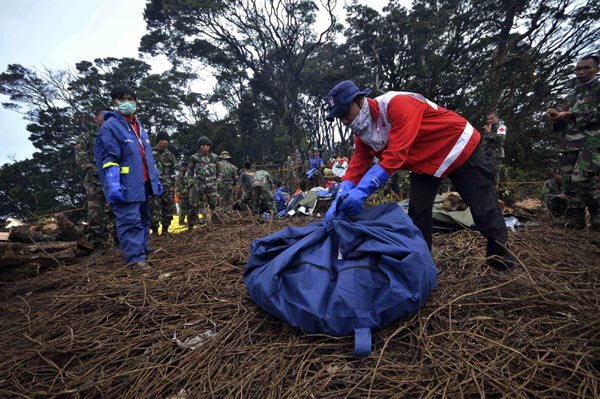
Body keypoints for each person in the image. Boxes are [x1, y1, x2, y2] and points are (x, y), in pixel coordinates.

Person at [323, 80, 515, 269]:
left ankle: (500, 258)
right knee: (418, 211)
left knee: (482, 205)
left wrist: (362, 191)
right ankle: (422, 264)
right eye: (339, 116)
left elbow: (394, 156)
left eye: (344, 113)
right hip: (425, 162)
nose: (344, 120)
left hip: (457, 146)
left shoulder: (396, 104)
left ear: (359, 100)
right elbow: (357, 164)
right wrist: (343, 191)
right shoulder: (364, 133)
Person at [94, 84, 163, 270]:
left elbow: (145, 156)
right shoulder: (111, 127)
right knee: (129, 219)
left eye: (130, 99)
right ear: (114, 103)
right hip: (125, 184)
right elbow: (109, 158)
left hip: (143, 182)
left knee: (143, 218)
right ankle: (135, 259)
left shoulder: (138, 126)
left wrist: (155, 178)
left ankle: (143, 249)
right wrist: (114, 183)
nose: (127, 103)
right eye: (122, 99)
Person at [546, 55, 600, 230]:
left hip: (592, 142)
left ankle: (596, 215)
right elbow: (564, 121)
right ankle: (576, 221)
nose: (582, 72)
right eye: (578, 69)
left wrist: (572, 115)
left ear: (597, 69)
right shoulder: (571, 95)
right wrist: (556, 118)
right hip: (569, 144)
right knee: (568, 183)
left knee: (582, 178)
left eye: (587, 68)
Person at [75, 108, 115, 255]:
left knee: (115, 211)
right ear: (95, 119)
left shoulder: (113, 137)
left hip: (113, 181)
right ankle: (97, 246)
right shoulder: (86, 138)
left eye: (107, 117)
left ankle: (118, 242)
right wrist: (96, 170)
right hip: (94, 182)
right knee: (95, 214)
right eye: (102, 116)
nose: (104, 119)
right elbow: (81, 159)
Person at [188, 135, 219, 227]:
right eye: (203, 145)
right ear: (199, 147)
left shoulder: (215, 157)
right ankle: (191, 226)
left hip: (211, 186)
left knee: (215, 206)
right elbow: (189, 172)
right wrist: (192, 183)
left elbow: (220, 172)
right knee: (193, 206)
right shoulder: (194, 158)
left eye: (207, 146)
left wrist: (217, 183)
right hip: (198, 185)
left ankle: (215, 225)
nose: (205, 148)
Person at [150, 131, 176, 235]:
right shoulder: (150, 153)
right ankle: (155, 230)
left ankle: (165, 229)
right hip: (153, 186)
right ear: (158, 140)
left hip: (167, 187)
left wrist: (173, 185)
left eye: (167, 140)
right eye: (163, 140)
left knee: (169, 207)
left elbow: (173, 172)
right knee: (153, 209)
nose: (165, 142)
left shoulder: (170, 156)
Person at [482, 111, 507, 189]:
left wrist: (489, 133)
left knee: (494, 174)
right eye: (488, 119)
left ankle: (493, 193)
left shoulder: (501, 127)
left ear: (497, 118)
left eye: (492, 118)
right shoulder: (488, 128)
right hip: (486, 154)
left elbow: (501, 139)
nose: (489, 120)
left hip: (496, 155)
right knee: (484, 174)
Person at [175, 161, 191, 226]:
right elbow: (178, 185)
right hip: (181, 194)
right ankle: (181, 221)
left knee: (189, 208)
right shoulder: (179, 175)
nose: (185, 168)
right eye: (184, 167)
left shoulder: (188, 174)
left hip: (188, 193)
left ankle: (189, 221)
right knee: (183, 208)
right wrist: (184, 191)